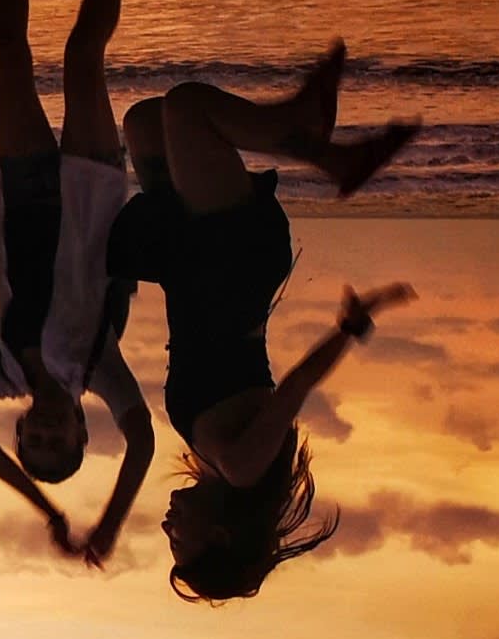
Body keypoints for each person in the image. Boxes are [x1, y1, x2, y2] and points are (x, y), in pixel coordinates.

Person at [110, 39, 421, 602]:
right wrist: (351, 329)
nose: (167, 529)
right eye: (180, 543)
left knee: (145, 124)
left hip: (191, 258)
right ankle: (304, 129)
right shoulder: (242, 466)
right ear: (221, 536)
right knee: (187, 108)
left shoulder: (214, 462)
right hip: (233, 260)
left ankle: (332, 156)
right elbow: (295, 388)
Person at [0, 0, 153, 561]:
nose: (48, 432)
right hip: (88, 195)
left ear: (22, 428)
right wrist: (108, 527)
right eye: (61, 440)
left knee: (8, 53)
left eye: (36, 440)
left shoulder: (4, 374)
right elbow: (143, 441)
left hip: (25, 200)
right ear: (81, 430)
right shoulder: (98, 369)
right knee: (82, 58)